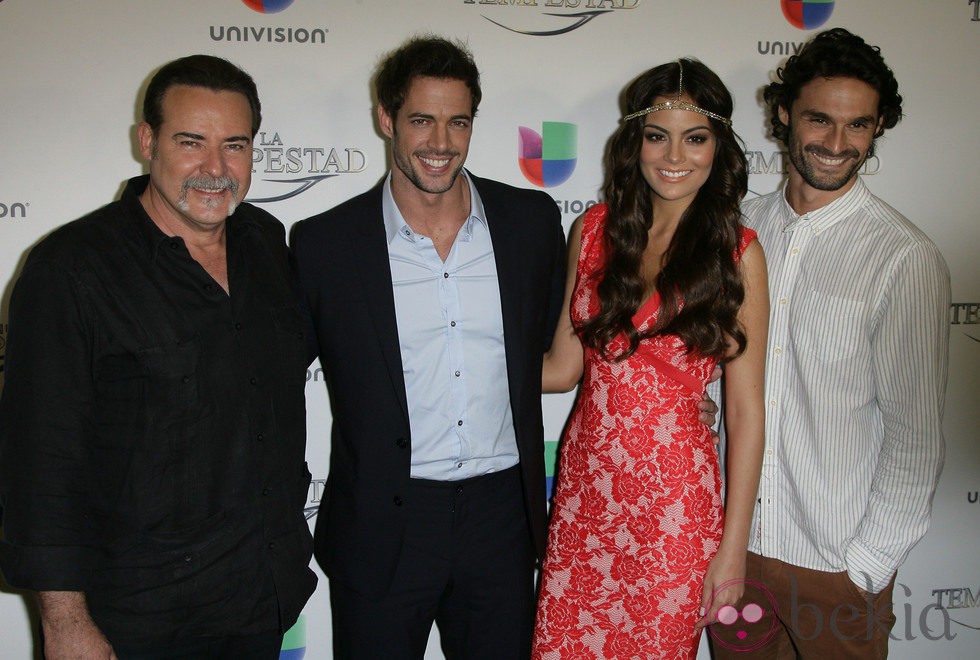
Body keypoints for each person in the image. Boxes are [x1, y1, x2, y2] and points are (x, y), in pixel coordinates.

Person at [0, 55, 316, 659]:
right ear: (147, 141)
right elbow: (41, 461)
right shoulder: (71, 269)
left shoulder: (266, 245)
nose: (215, 168)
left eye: (235, 145)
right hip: (135, 619)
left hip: (258, 599)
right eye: (191, 142)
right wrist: (65, 623)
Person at [290, 36, 564, 659]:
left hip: (501, 521)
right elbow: (269, 383)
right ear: (386, 120)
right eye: (421, 120)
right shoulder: (326, 245)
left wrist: (685, 399)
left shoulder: (530, 224)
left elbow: (571, 350)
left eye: (457, 121)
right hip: (383, 524)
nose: (440, 143)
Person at [709, 28, 950, 659]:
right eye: (820, 119)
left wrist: (865, 569)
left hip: (837, 574)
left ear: (877, 129)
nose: (838, 145)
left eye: (859, 126)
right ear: (785, 112)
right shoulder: (736, 232)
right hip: (734, 559)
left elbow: (915, 435)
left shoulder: (902, 257)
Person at [531, 59, 768, 659]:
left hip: (674, 514)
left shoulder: (738, 253)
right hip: (586, 496)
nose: (675, 155)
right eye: (658, 134)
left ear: (720, 147)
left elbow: (744, 412)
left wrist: (732, 549)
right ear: (635, 140)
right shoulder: (592, 232)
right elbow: (561, 370)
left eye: (696, 137)